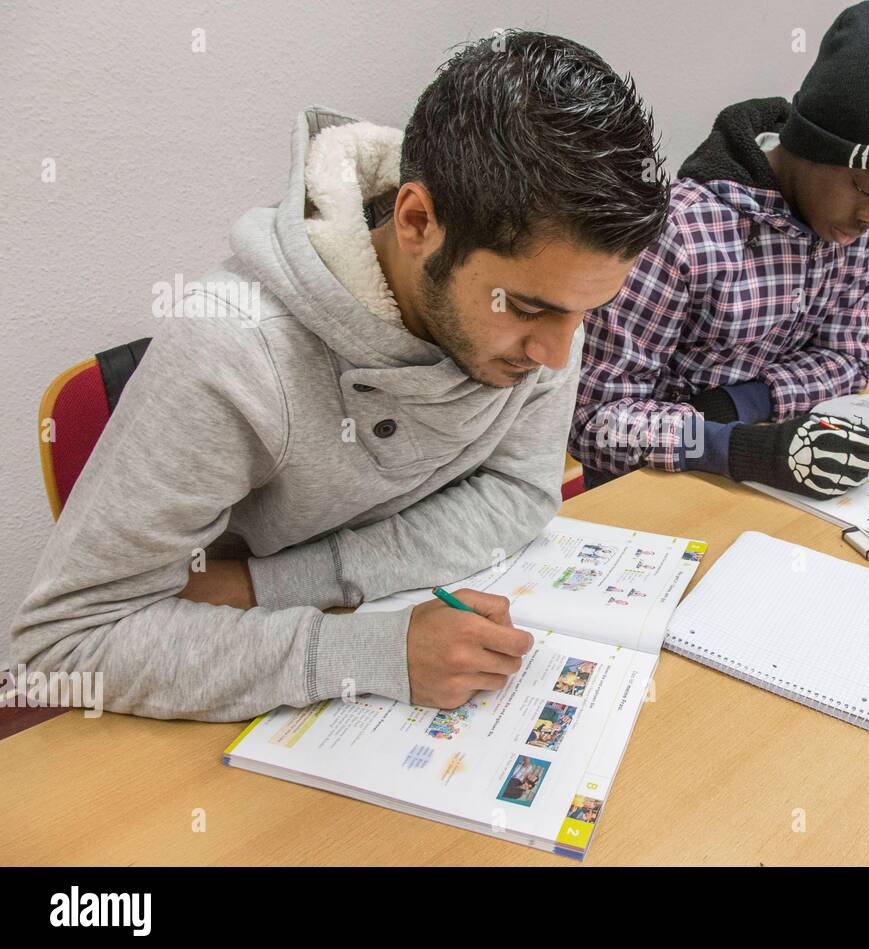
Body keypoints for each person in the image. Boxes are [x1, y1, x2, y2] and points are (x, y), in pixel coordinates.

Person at [10, 32, 669, 721]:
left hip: (296, 628)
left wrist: (270, 584)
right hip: (222, 713)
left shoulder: (547, 295)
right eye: (530, 308)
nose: (558, 356)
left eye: (587, 312)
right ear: (418, 221)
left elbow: (519, 493)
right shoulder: (231, 349)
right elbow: (60, 648)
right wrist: (366, 653)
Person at [569, 0, 869, 497]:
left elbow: (849, 360)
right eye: (867, 186)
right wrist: (731, 444)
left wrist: (739, 405)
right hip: (653, 489)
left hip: (774, 464)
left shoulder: (849, 227)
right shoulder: (682, 231)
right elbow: (596, 420)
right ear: (815, 144)